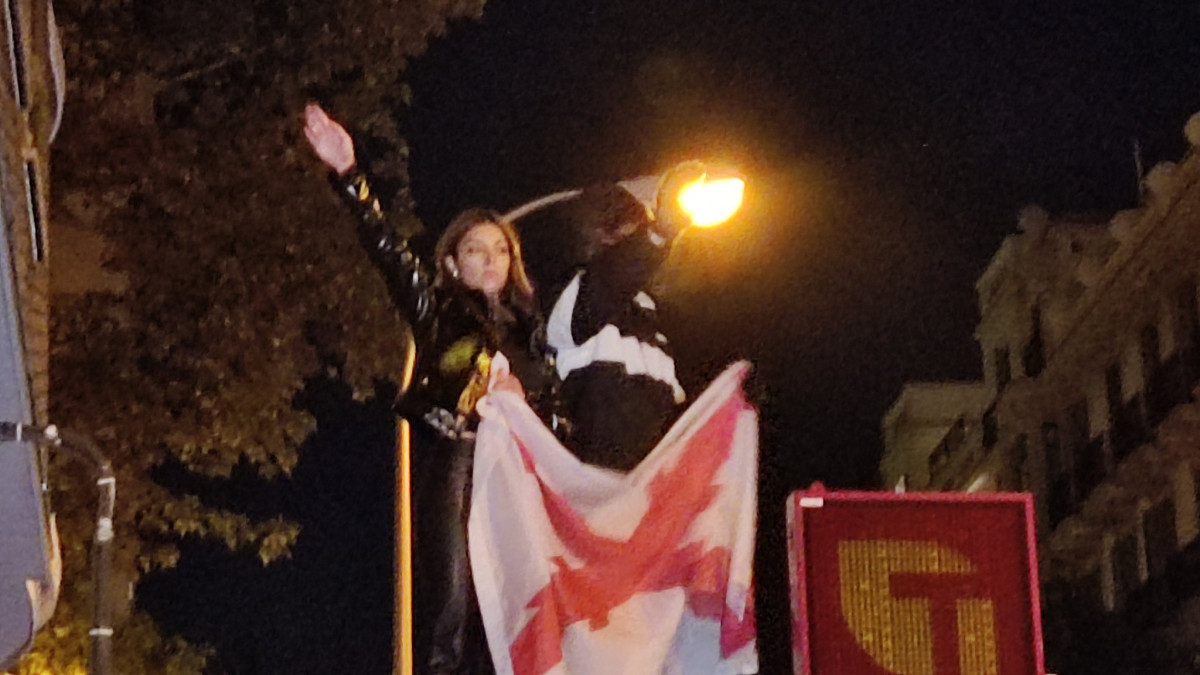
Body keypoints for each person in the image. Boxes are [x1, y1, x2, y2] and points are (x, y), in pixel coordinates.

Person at [304, 103, 552, 675]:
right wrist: (350, 177)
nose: (489, 261)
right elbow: (386, 250)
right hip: (458, 457)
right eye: (475, 250)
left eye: (500, 250)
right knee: (452, 599)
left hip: (520, 476)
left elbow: (562, 417)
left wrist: (528, 403)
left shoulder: (533, 334)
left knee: (519, 608)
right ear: (451, 261)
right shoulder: (438, 312)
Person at [541, 164, 703, 471]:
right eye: (629, 236)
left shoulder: (653, 315)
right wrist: (658, 234)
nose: (639, 246)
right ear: (599, 238)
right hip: (589, 485)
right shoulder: (571, 297)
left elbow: (678, 406)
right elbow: (609, 283)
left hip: (651, 487)